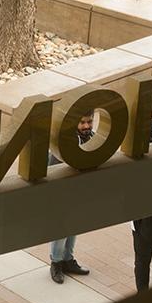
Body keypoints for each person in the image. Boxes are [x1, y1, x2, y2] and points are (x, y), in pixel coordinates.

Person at [50, 110, 94, 284]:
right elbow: (52, 167)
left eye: (89, 122)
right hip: (63, 193)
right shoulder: (65, 141)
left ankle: (68, 260)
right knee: (61, 230)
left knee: (74, 227)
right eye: (82, 122)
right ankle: (56, 263)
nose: (86, 126)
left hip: (80, 193)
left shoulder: (93, 138)